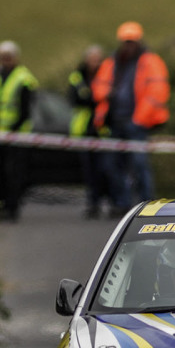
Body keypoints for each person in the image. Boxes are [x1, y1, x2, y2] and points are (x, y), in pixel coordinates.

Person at [92, 22, 170, 211]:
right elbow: (98, 87)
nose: (128, 45)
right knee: (111, 165)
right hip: (114, 123)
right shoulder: (112, 63)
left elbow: (157, 93)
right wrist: (106, 94)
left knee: (139, 164)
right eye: (126, 41)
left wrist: (138, 120)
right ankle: (122, 203)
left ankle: (147, 204)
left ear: (139, 41)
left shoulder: (151, 61)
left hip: (137, 124)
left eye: (132, 41)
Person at [0, 40, 38, 220]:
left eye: (8, 57)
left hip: (16, 135)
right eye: (2, 57)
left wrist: (12, 130)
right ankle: (1, 206)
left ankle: (12, 207)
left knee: (13, 173)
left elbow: (25, 111)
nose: (5, 60)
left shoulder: (23, 77)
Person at [68, 45, 109, 219]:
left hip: (103, 131)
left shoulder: (106, 75)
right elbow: (75, 99)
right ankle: (93, 203)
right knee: (89, 171)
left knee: (105, 169)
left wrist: (90, 98)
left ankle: (110, 201)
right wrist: (93, 99)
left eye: (97, 59)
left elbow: (106, 98)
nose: (94, 62)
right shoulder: (77, 76)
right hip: (84, 130)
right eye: (92, 59)